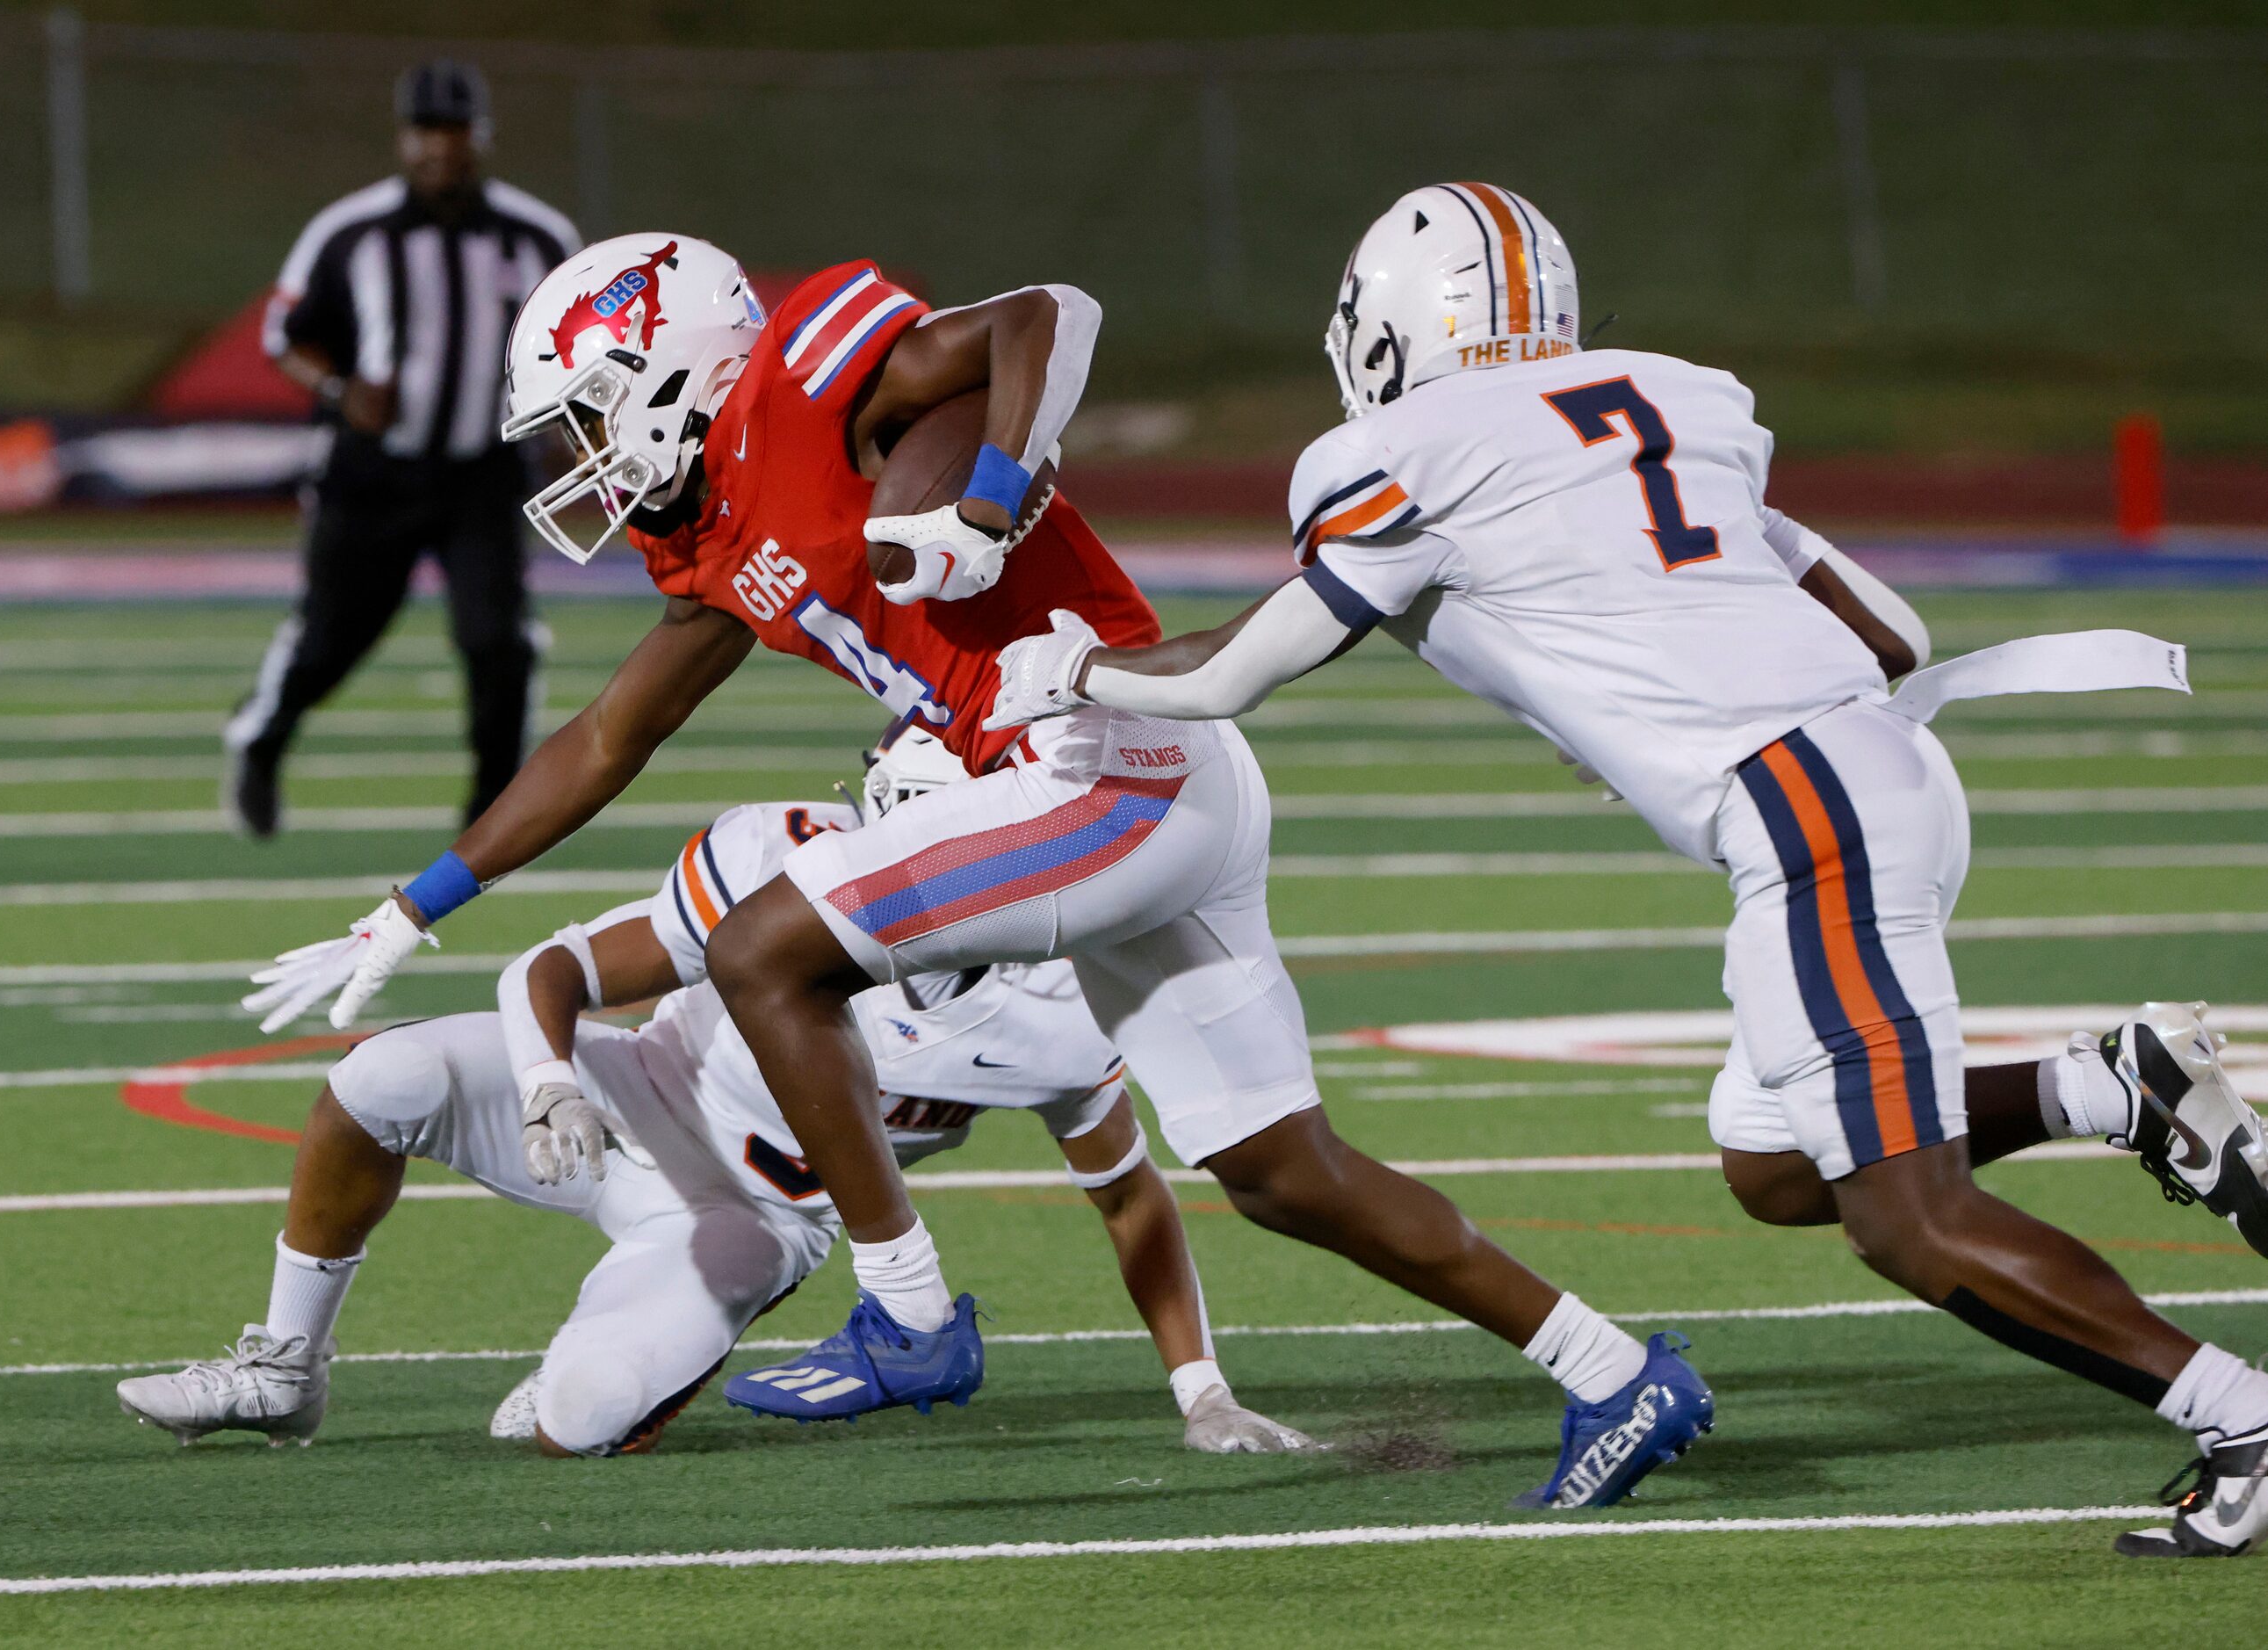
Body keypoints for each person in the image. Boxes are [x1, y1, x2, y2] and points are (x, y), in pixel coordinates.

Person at [242, 232, 1710, 1510]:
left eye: (586, 421)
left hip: (1100, 754)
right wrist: (411, 901)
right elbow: (607, 735)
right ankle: (1615, 1367)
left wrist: (995, 484)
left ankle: (908, 1311)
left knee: (766, 948)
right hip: (1144, 777)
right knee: (1279, 1171)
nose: (576, 467)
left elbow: (1047, 314)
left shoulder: (807, 384)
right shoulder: (719, 537)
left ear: (667, 370)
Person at [986, 181, 2268, 1559]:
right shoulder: (1674, 399)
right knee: (1773, 1162)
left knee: (1906, 1218)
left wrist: (1067, 666)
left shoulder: (1407, 452)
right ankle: (2109, 1084)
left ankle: (2238, 1418)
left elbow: (1230, 671)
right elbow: (1892, 632)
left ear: (1384, 331)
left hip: (1801, 813)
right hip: (1878, 772)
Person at [123, 734, 1317, 1457]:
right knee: (377, 1075)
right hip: (633, 1089)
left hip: (749, 1218)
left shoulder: (1059, 1004)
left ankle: (639, 1356)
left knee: (573, 1418)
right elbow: (552, 969)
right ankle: (284, 1366)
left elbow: (1126, 1194)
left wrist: (1200, 1389)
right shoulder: (783, 863)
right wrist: (548, 1083)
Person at [225, 60, 580, 837]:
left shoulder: (538, 236)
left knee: (499, 641)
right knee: (329, 639)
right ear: (403, 138)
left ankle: (494, 808)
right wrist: (341, 390)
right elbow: (284, 335)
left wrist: (564, 428)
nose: (439, 150)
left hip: (482, 472)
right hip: (372, 472)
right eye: (425, 132)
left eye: (453, 132)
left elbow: (582, 346)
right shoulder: (351, 232)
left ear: (478, 138)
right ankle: (261, 737)